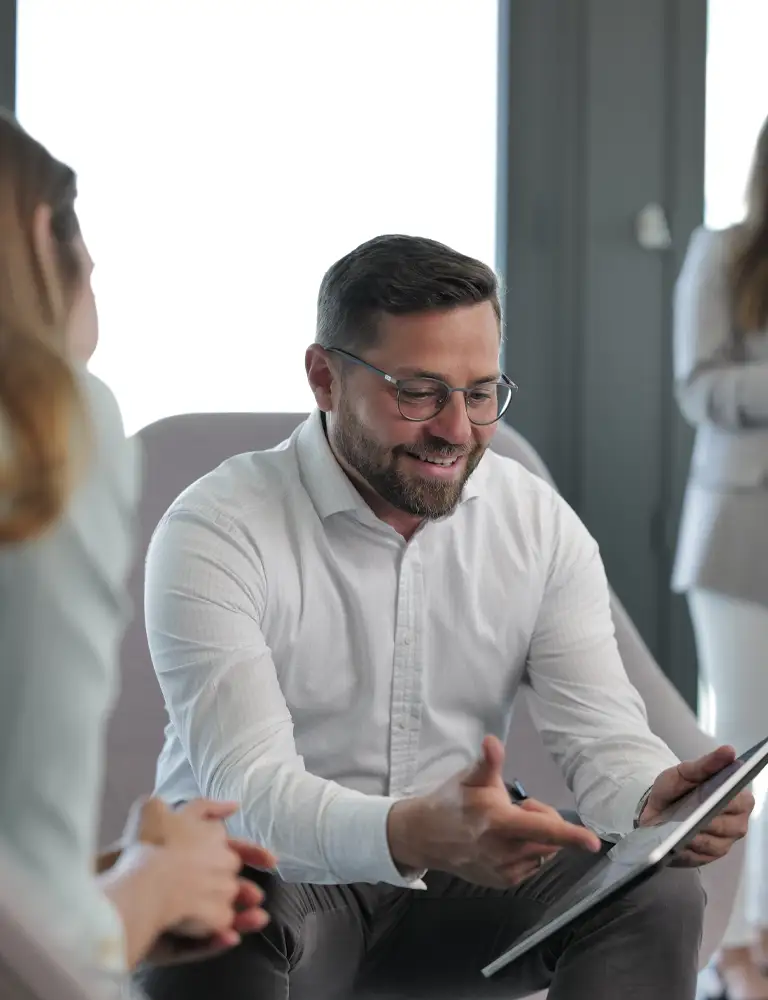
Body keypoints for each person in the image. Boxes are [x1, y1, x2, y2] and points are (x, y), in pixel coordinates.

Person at [140, 234, 752, 1000]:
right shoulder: (217, 528)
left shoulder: (534, 521)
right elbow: (251, 796)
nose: (458, 430)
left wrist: (648, 798)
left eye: (482, 391)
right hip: (282, 881)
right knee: (209, 908)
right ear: (325, 379)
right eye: (419, 392)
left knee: (653, 894)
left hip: (458, 881)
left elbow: (600, 735)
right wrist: (412, 831)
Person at [0, 110, 274, 991]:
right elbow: (51, 965)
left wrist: (98, 885)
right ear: (44, 238)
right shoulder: (46, 425)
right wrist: (150, 893)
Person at [673, 113, 768, 1000]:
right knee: (742, 744)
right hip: (742, 533)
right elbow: (697, 384)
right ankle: (732, 941)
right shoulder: (724, 252)